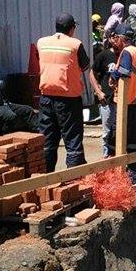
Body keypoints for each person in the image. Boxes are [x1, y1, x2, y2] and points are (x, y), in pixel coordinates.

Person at [37, 13, 90, 172]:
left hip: (46, 98)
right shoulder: (75, 44)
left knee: (48, 141)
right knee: (73, 140)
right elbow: (85, 66)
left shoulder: (42, 42)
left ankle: (46, 179)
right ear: (72, 28)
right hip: (68, 100)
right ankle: (74, 181)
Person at [109, 24, 136, 183]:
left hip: (125, 102)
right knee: (133, 137)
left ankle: (114, 172)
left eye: (115, 38)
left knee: (115, 137)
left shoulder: (126, 52)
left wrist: (113, 74)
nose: (114, 42)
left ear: (120, 38)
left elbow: (124, 72)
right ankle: (134, 173)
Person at [89, 38, 118, 158]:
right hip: (108, 100)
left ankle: (121, 160)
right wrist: (98, 91)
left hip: (123, 100)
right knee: (107, 132)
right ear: (111, 38)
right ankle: (106, 158)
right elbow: (92, 73)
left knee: (121, 131)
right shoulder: (104, 55)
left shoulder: (126, 55)